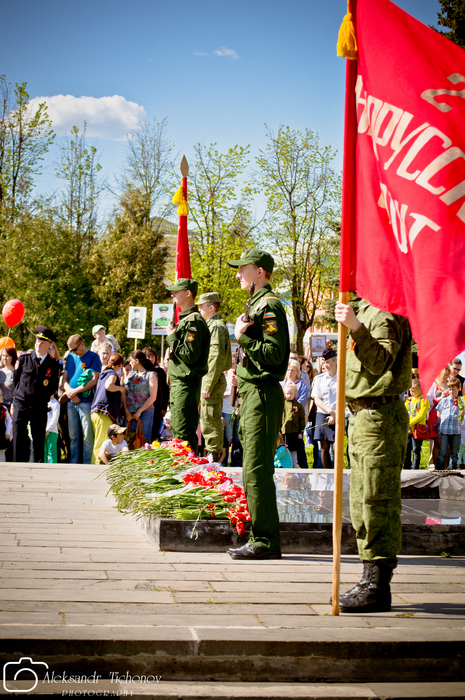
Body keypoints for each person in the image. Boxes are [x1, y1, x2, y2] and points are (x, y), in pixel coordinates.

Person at [334, 299, 412, 613]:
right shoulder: (364, 309)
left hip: (379, 415)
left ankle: (378, 586)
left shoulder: (385, 312)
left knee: (377, 499)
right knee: (361, 501)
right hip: (362, 416)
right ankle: (369, 579)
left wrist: (355, 327)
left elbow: (380, 362)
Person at [226, 249, 290, 560]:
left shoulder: (270, 306)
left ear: (260, 272)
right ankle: (261, 537)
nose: (238, 273)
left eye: (244, 268)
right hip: (252, 393)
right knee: (251, 469)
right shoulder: (256, 304)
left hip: (262, 394)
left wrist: (243, 338)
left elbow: (275, 355)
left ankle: (265, 541)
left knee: (257, 470)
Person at [165, 278, 210, 455]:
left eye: (176, 291)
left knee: (183, 434)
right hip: (181, 384)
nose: (173, 295)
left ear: (188, 293)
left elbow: (190, 355)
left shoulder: (193, 322)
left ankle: (187, 469)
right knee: (179, 432)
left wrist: (172, 337)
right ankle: (184, 468)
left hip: (186, 384)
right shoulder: (186, 320)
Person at [12, 326, 60, 463]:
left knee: (39, 438)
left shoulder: (53, 364)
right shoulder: (24, 359)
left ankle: (38, 466)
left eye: (43, 342)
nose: (39, 344)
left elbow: (53, 386)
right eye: (37, 341)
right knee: (19, 435)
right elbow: (17, 379)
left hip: (39, 405)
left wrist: (41, 398)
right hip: (22, 403)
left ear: (50, 345)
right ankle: (18, 465)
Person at [197, 292, 232, 462]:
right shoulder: (212, 325)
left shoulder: (215, 327)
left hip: (213, 380)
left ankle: (213, 456)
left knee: (210, 418)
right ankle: (212, 454)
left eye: (202, 306)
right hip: (212, 379)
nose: (199, 309)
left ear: (211, 307)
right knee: (208, 417)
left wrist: (207, 385)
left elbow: (215, 358)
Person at [63, 334, 101, 464]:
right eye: (70, 350)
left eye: (74, 349)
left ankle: (87, 464)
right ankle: (74, 463)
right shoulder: (70, 357)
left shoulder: (94, 357)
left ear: (82, 344)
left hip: (86, 401)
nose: (73, 352)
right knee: (73, 437)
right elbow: (65, 379)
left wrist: (75, 392)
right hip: (71, 401)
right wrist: (70, 392)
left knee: (87, 437)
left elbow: (94, 380)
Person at [91, 353, 125, 463]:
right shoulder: (112, 374)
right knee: (102, 443)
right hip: (104, 412)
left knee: (98, 440)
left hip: (96, 412)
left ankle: (95, 464)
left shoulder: (104, 373)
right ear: (120, 365)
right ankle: (96, 466)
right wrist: (121, 388)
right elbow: (108, 386)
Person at [311, 348, 338, 469]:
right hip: (323, 413)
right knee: (324, 447)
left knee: (337, 446)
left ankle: (338, 473)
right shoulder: (319, 379)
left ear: (335, 361)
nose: (325, 365)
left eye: (328, 362)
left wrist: (335, 414)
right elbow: (317, 400)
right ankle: (327, 474)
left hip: (339, 413)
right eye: (324, 362)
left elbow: (346, 398)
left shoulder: (342, 378)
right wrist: (330, 411)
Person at [122, 350, 158, 441]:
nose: (129, 363)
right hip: (130, 413)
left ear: (136, 361)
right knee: (129, 441)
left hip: (145, 413)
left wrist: (140, 411)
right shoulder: (131, 374)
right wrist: (126, 412)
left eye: (131, 360)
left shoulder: (151, 375)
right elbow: (124, 394)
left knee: (144, 441)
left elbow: (153, 397)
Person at [435, 377, 465, 470]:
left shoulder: (461, 401)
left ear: (459, 389)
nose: (451, 392)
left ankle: (452, 469)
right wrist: (442, 418)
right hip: (445, 430)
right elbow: (438, 412)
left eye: (454, 389)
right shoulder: (444, 400)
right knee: (443, 451)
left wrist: (462, 414)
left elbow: (462, 415)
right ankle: (439, 469)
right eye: (450, 389)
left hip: (456, 431)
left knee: (454, 452)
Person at [142, 347, 169, 441]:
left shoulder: (160, 371)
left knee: (155, 431)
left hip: (157, 406)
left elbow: (165, 390)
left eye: (152, 356)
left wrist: (163, 408)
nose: (150, 359)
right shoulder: (141, 371)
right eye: (148, 356)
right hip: (144, 405)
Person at [427, 366, 451, 466]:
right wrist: (440, 398)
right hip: (436, 415)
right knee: (438, 442)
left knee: (448, 443)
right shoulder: (434, 384)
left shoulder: (450, 383)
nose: (446, 376)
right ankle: (437, 466)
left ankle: (446, 466)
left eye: (447, 374)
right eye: (444, 374)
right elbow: (428, 400)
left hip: (449, 415)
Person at [404, 379, 429, 470]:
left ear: (420, 389)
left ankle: (415, 468)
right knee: (407, 449)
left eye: (413, 391)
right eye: (410, 391)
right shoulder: (409, 400)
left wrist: (409, 423)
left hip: (418, 429)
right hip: (408, 428)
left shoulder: (424, 400)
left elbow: (421, 415)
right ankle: (406, 467)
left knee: (416, 449)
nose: (411, 393)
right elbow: (405, 412)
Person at [281, 381, 306, 468]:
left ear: (295, 393)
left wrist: (301, 432)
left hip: (295, 433)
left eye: (291, 393)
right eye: (287, 393)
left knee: (294, 451)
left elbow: (302, 420)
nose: (289, 395)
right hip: (284, 432)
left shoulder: (298, 406)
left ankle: (294, 467)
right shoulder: (282, 405)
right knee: (285, 450)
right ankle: (285, 467)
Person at [44, 393, 60, 463]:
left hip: (52, 431)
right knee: (44, 452)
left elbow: (55, 418)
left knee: (52, 452)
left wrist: (48, 429)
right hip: (43, 430)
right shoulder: (44, 402)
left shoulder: (56, 404)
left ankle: (53, 467)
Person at [0, 346, 17, 412]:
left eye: (7, 356)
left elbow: (18, 391)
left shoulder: (16, 372)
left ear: (12, 357)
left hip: (11, 406)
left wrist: (14, 404)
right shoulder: (0, 371)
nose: (4, 358)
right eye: (3, 356)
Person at [0, 389, 11, 461]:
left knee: (1, 453)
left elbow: (9, 420)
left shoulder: (4, 408)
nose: (2, 397)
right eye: (0, 395)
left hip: (1, 434)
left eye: (2, 395)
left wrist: (7, 432)